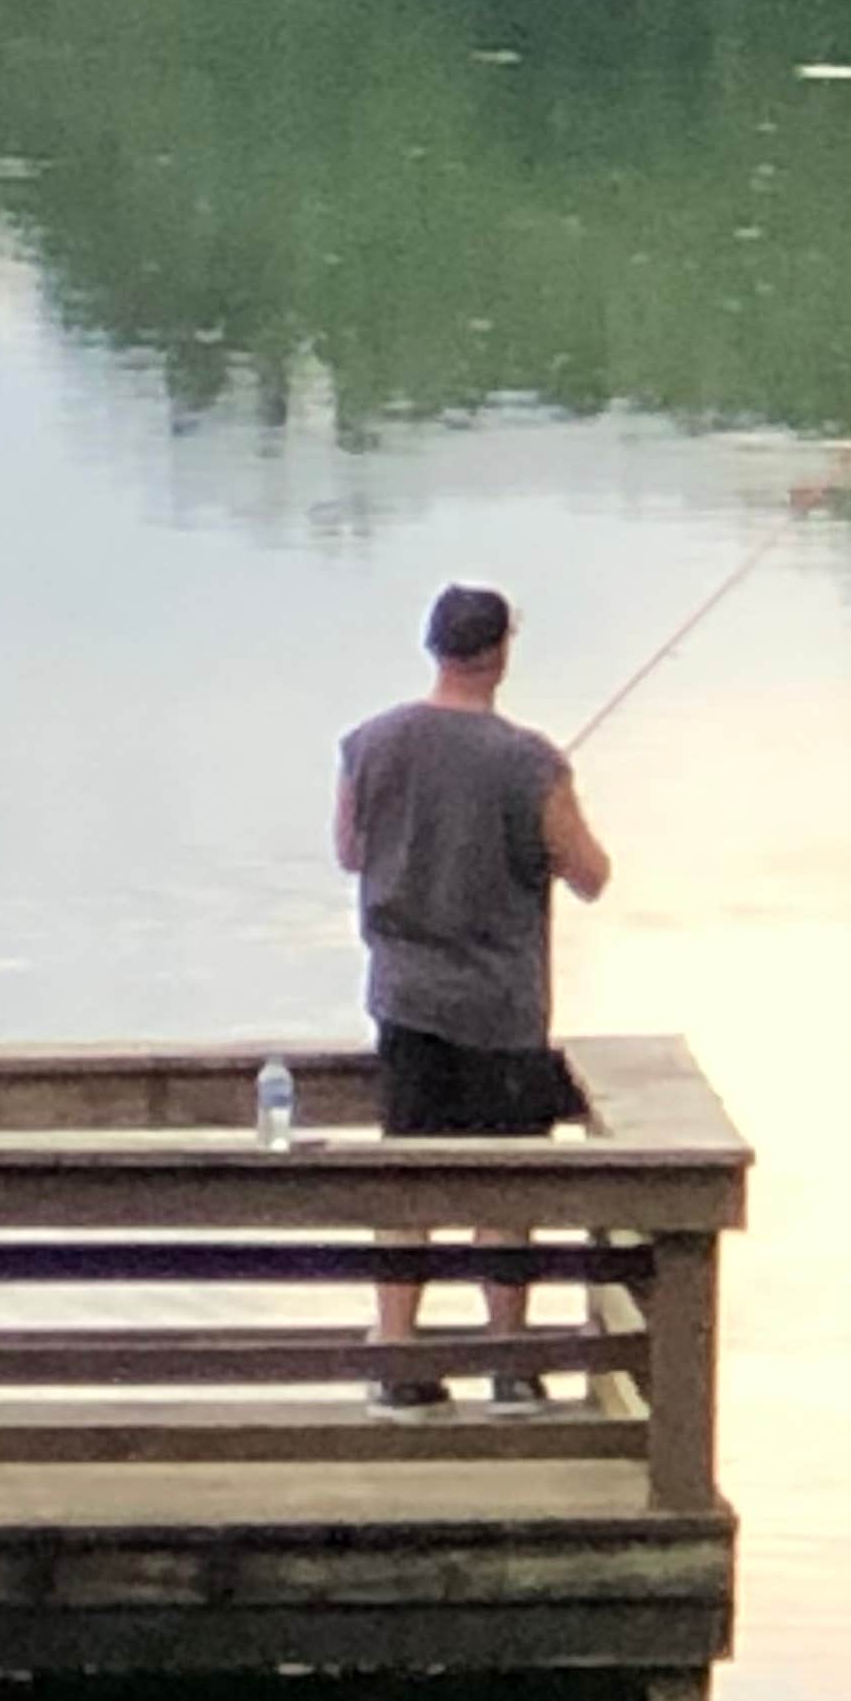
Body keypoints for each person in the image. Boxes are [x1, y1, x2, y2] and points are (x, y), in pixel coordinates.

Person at [334, 582, 613, 1409]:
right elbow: (591, 875)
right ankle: (509, 1361)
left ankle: (396, 1357)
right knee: (507, 1187)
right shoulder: (530, 761)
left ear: (436, 649)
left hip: (405, 1001)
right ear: (499, 655)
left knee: (407, 1179)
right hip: (500, 1007)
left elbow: (350, 851)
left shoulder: (369, 744)